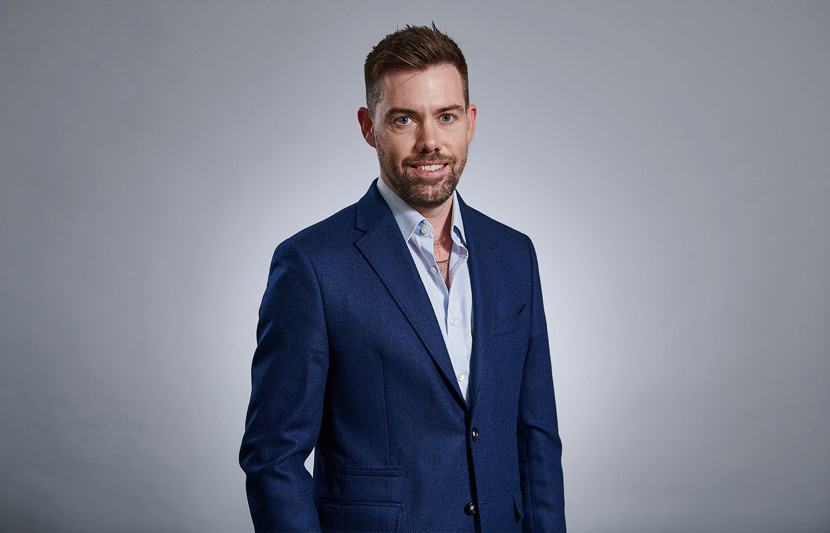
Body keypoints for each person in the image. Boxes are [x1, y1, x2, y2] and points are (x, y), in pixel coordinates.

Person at [240, 24, 565, 532]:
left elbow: (536, 436)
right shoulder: (311, 265)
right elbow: (272, 459)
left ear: (470, 122)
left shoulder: (514, 255)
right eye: (404, 119)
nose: (429, 141)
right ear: (369, 127)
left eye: (446, 116)